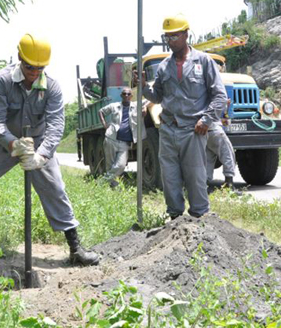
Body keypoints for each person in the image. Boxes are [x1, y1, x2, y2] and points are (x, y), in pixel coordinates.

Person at [0, 34, 99, 266]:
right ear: (19, 58)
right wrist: (14, 144)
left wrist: (41, 155)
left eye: (39, 68)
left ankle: (76, 249)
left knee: (55, 189)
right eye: (29, 67)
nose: (34, 72)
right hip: (3, 142)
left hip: (39, 143)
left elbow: (56, 126)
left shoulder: (52, 87)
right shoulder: (2, 80)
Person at [135, 14, 227, 219]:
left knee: (195, 176)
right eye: (167, 37)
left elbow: (220, 96)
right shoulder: (163, 67)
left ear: (186, 34)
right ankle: (175, 218)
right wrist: (143, 87)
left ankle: (200, 218)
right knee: (169, 177)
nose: (170, 41)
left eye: (174, 36)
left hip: (193, 130)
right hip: (168, 129)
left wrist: (206, 120)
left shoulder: (203, 61)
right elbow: (157, 97)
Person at [98, 88, 147, 187]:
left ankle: (101, 182)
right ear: (121, 95)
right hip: (111, 139)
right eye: (124, 94)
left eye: (129, 94)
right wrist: (104, 124)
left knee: (120, 165)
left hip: (125, 143)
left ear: (131, 96)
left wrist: (145, 107)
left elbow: (151, 99)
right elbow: (101, 111)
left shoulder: (136, 105)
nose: (126, 96)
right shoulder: (114, 106)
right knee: (110, 166)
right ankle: (113, 188)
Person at [206, 106, 237, 191]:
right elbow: (225, 122)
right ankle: (229, 184)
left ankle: (204, 186)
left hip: (204, 131)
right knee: (228, 153)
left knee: (208, 158)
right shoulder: (218, 99)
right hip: (215, 131)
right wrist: (226, 108)